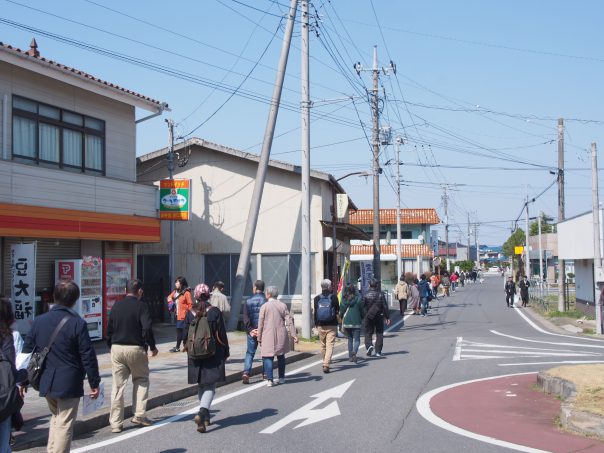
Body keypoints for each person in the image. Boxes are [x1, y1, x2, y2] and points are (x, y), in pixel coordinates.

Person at [22, 281, 100, 453]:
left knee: (57, 418)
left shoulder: (38, 321)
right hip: (69, 382)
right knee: (64, 424)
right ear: (75, 300)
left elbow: (26, 352)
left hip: (45, 381)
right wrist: (94, 382)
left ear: (54, 297)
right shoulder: (77, 323)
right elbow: (87, 355)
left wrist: (22, 381)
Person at [106, 278, 158, 433]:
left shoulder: (116, 306)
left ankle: (115, 423)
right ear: (140, 291)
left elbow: (109, 329)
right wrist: (152, 346)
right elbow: (147, 328)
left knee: (118, 386)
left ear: (125, 290)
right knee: (141, 380)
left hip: (117, 348)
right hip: (135, 348)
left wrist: (111, 346)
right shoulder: (141, 306)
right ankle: (139, 415)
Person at [182, 294, 229, 433]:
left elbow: (185, 334)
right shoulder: (214, 312)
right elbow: (222, 333)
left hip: (195, 354)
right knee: (210, 385)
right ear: (208, 296)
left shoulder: (190, 313)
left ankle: (206, 417)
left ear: (195, 297)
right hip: (213, 353)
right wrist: (226, 351)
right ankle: (202, 413)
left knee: (201, 383)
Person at [257, 286, 298, 386]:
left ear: (269, 294)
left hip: (267, 334)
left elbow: (260, 323)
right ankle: (281, 378)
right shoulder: (283, 305)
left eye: (266, 292)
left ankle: (270, 380)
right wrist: (294, 334)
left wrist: (259, 337)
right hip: (281, 333)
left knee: (268, 357)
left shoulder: (264, 306)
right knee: (281, 356)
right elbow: (289, 321)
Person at [0, 298, 25, 453]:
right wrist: (24, 377)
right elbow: (11, 369)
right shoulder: (9, 337)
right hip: (3, 396)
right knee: (3, 444)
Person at [242, 280, 267, 384]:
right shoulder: (266, 301)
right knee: (265, 352)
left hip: (252, 331)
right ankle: (265, 373)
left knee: (250, 353)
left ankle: (246, 373)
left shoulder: (248, 301)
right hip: (264, 331)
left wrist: (250, 330)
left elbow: (245, 318)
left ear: (255, 288)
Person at [313, 279, 339, 373]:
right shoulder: (334, 297)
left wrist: (316, 324)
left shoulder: (316, 298)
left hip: (320, 324)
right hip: (331, 324)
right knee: (330, 345)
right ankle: (326, 364)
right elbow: (337, 309)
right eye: (331, 285)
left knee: (323, 345)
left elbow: (315, 312)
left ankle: (325, 361)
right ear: (328, 287)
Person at [363, 278, 390, 357]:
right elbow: (385, 306)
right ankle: (378, 351)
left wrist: (362, 315)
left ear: (369, 285)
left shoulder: (366, 294)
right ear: (377, 285)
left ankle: (369, 346)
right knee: (379, 333)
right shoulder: (381, 294)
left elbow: (362, 306)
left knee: (368, 332)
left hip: (369, 316)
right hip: (379, 316)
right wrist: (387, 317)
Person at [339, 284, 364, 363]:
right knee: (357, 340)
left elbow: (341, 312)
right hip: (356, 321)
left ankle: (350, 357)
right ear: (354, 290)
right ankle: (354, 352)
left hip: (346, 322)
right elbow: (362, 311)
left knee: (350, 339)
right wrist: (362, 318)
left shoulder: (343, 300)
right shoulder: (358, 299)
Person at [167, 276, 193, 352]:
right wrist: (170, 302)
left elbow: (190, 304)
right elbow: (169, 297)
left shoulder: (186, 293)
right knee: (180, 331)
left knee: (182, 332)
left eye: (177, 282)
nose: (176, 283)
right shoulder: (175, 292)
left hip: (184, 316)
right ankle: (180, 346)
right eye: (176, 282)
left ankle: (182, 346)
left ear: (182, 283)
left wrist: (187, 313)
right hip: (178, 315)